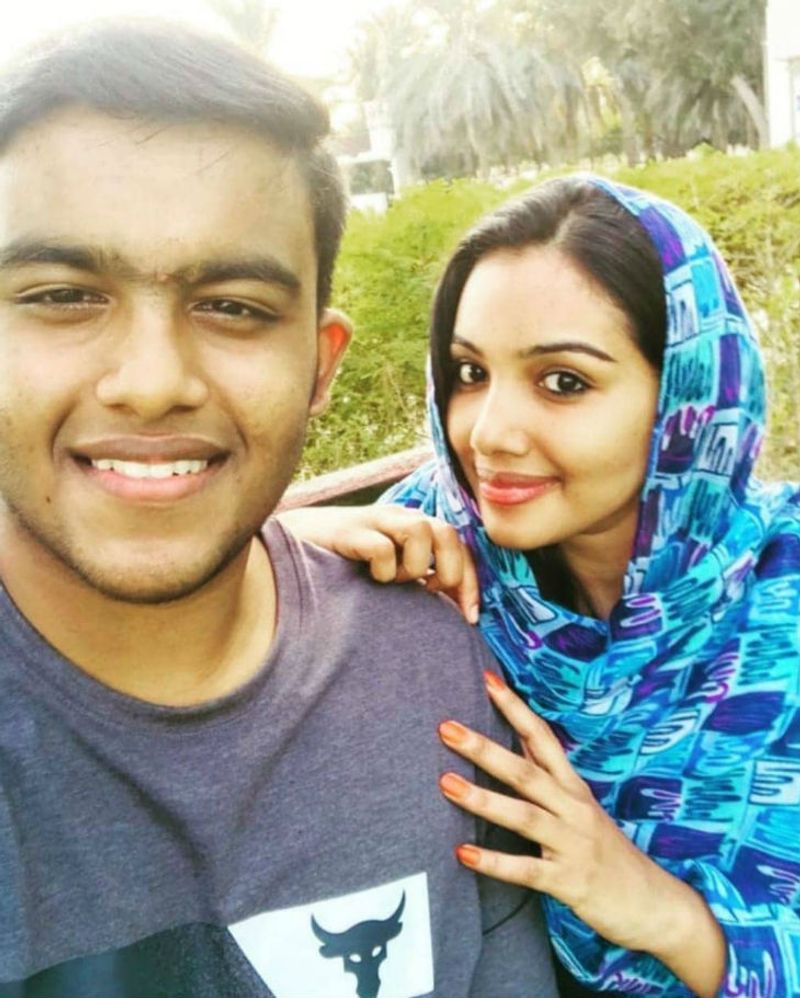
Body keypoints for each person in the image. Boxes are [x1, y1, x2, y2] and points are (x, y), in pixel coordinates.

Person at [0, 21, 560, 998]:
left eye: (233, 306)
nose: (151, 384)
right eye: (62, 294)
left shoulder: (434, 668)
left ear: (319, 366)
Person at [281, 176, 800, 996]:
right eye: (469, 372)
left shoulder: (781, 602)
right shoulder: (438, 543)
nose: (489, 434)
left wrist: (660, 910)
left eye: (563, 382)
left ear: (689, 397)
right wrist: (289, 545)